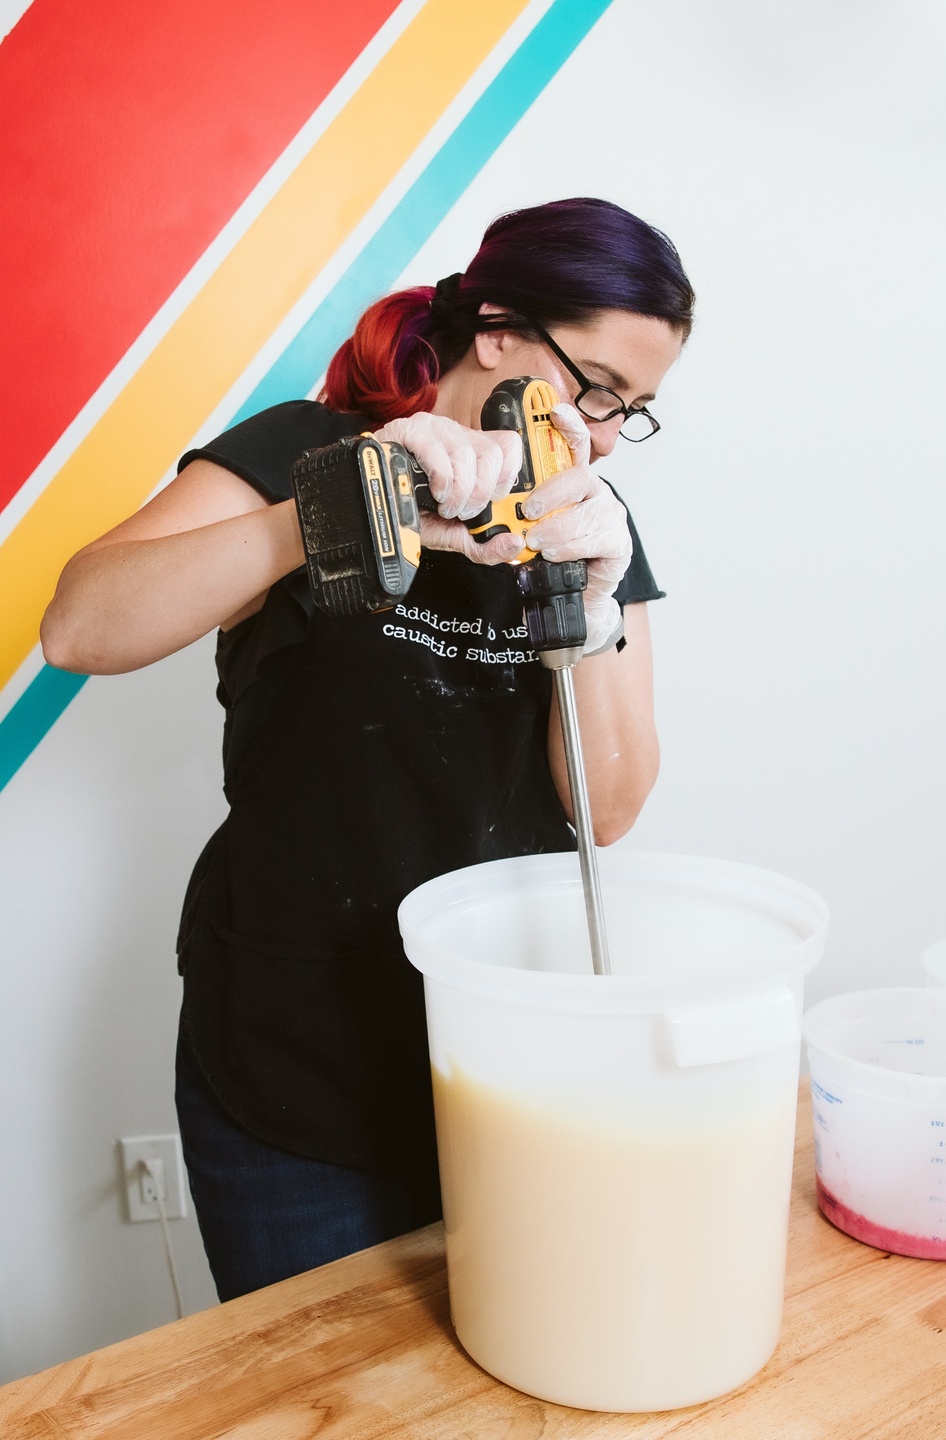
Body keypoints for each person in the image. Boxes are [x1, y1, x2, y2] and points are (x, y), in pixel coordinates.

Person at [41, 196, 694, 1301]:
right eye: (591, 384)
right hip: (293, 1055)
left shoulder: (587, 509)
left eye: (630, 409)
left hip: (503, 1045)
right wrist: (335, 506)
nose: (596, 429)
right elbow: (81, 628)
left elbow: (610, 807)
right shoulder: (305, 448)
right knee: (320, 1397)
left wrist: (596, 603)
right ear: (496, 331)